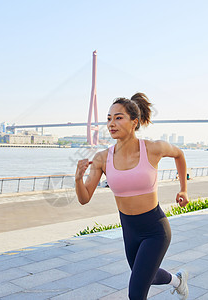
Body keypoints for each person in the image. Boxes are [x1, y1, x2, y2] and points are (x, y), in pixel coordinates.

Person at [75, 92, 190, 300]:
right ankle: (178, 280)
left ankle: (178, 281)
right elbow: (84, 198)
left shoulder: (153, 148)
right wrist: (77, 179)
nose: (112, 123)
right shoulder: (102, 158)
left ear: (134, 122)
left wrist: (183, 189)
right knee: (149, 275)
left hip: (156, 229)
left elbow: (179, 154)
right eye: (109, 118)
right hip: (130, 230)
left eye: (119, 117)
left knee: (136, 293)